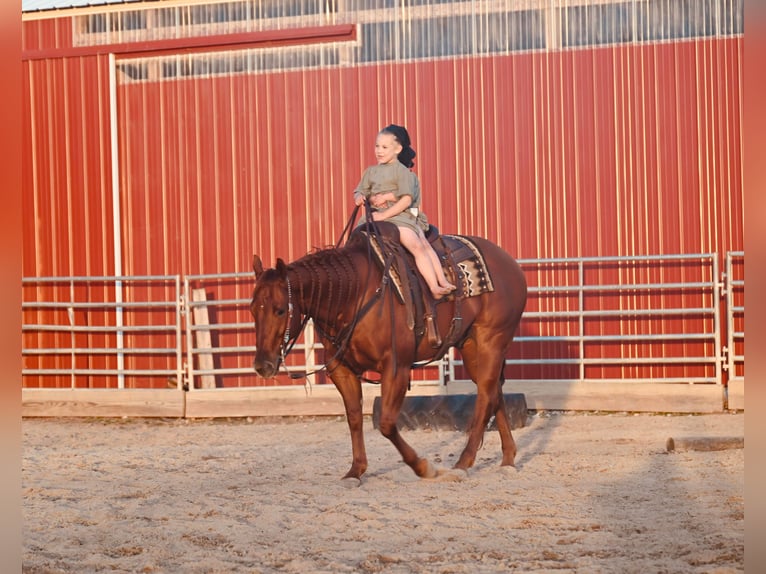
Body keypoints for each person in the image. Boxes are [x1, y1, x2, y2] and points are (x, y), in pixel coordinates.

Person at [353, 124, 456, 298]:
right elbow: (360, 189)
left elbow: (406, 199)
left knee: (417, 245)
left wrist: (385, 212)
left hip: (399, 217)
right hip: (374, 216)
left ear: (398, 149)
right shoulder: (370, 172)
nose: (379, 151)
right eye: (377, 146)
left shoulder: (402, 172)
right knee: (354, 242)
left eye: (385, 147)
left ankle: (436, 285)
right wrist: (360, 196)